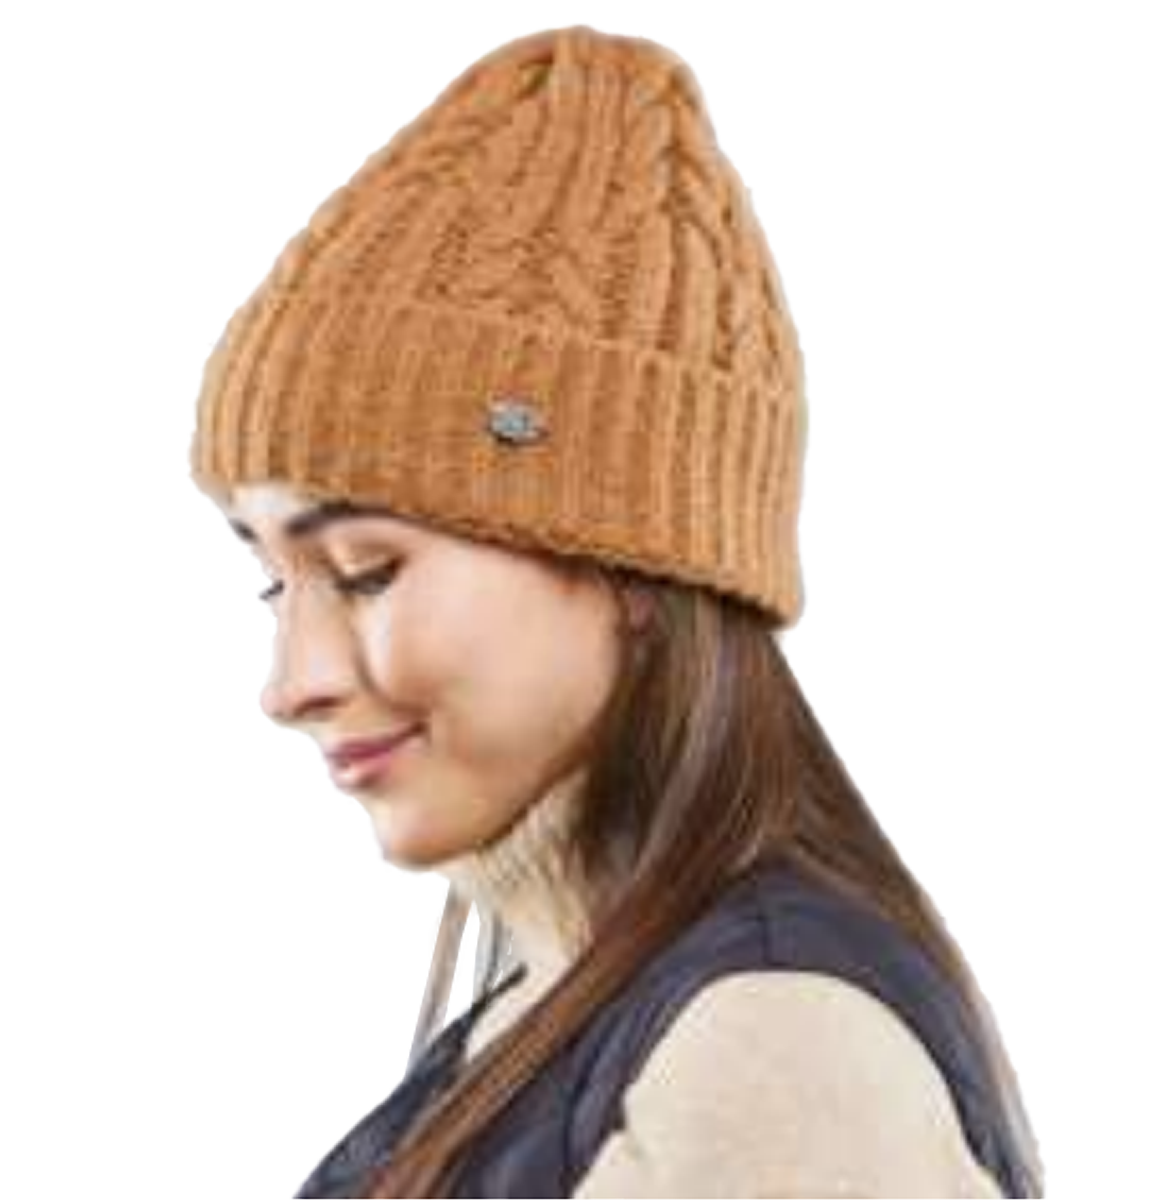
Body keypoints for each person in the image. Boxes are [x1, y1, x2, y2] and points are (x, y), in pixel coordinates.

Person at [193, 25, 1042, 1199]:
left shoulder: (772, 1048)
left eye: (366, 569)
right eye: (273, 580)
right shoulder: (560, 1003)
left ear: (634, 571)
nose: (293, 682)